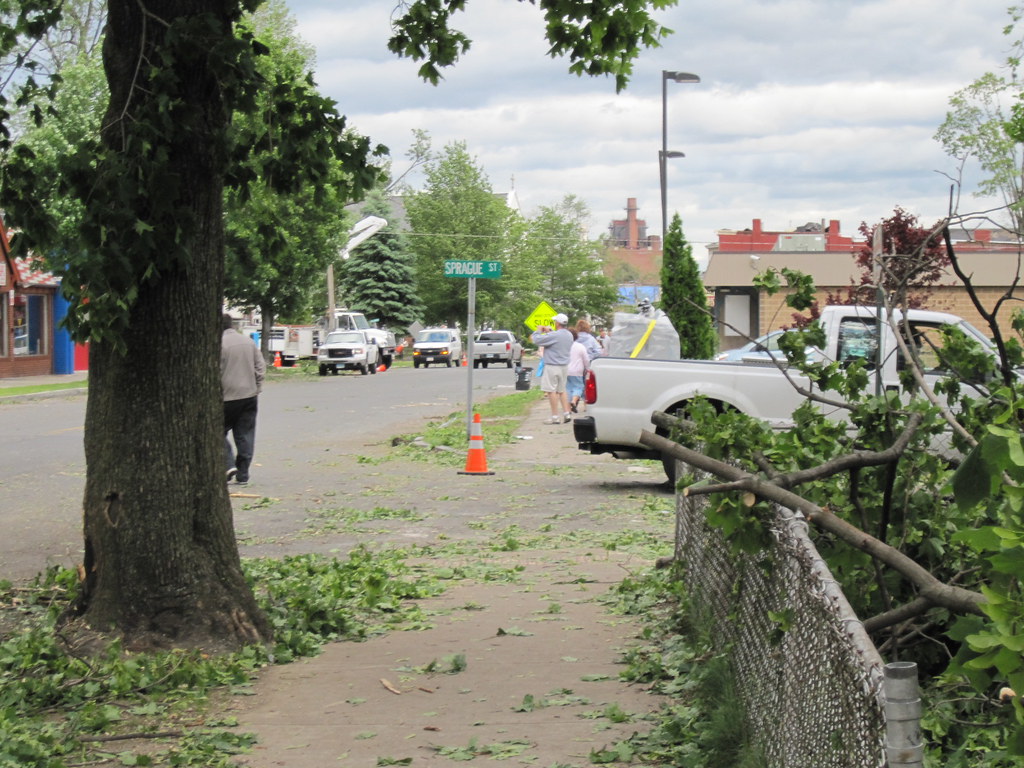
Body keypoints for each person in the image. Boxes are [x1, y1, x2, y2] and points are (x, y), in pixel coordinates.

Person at [221, 313, 265, 485]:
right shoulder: (248, 342)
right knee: (245, 434)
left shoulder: (219, 344)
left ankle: (228, 463)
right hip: (248, 395)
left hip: (226, 396)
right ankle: (243, 473)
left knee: (216, 432)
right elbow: (260, 366)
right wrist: (257, 387)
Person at [530, 313, 573, 424]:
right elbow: (557, 339)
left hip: (552, 365)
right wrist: (550, 332)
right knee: (562, 390)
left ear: (557, 323)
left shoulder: (555, 335)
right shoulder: (569, 335)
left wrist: (539, 330)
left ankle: (555, 416)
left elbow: (536, 340)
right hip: (564, 365)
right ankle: (566, 413)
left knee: (551, 391)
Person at [567, 329, 590, 414]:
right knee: (578, 387)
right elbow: (586, 359)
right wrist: (588, 368)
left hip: (565, 370)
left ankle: (568, 407)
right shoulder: (580, 346)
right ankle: (573, 401)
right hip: (577, 371)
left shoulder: (564, 346)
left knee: (568, 388)